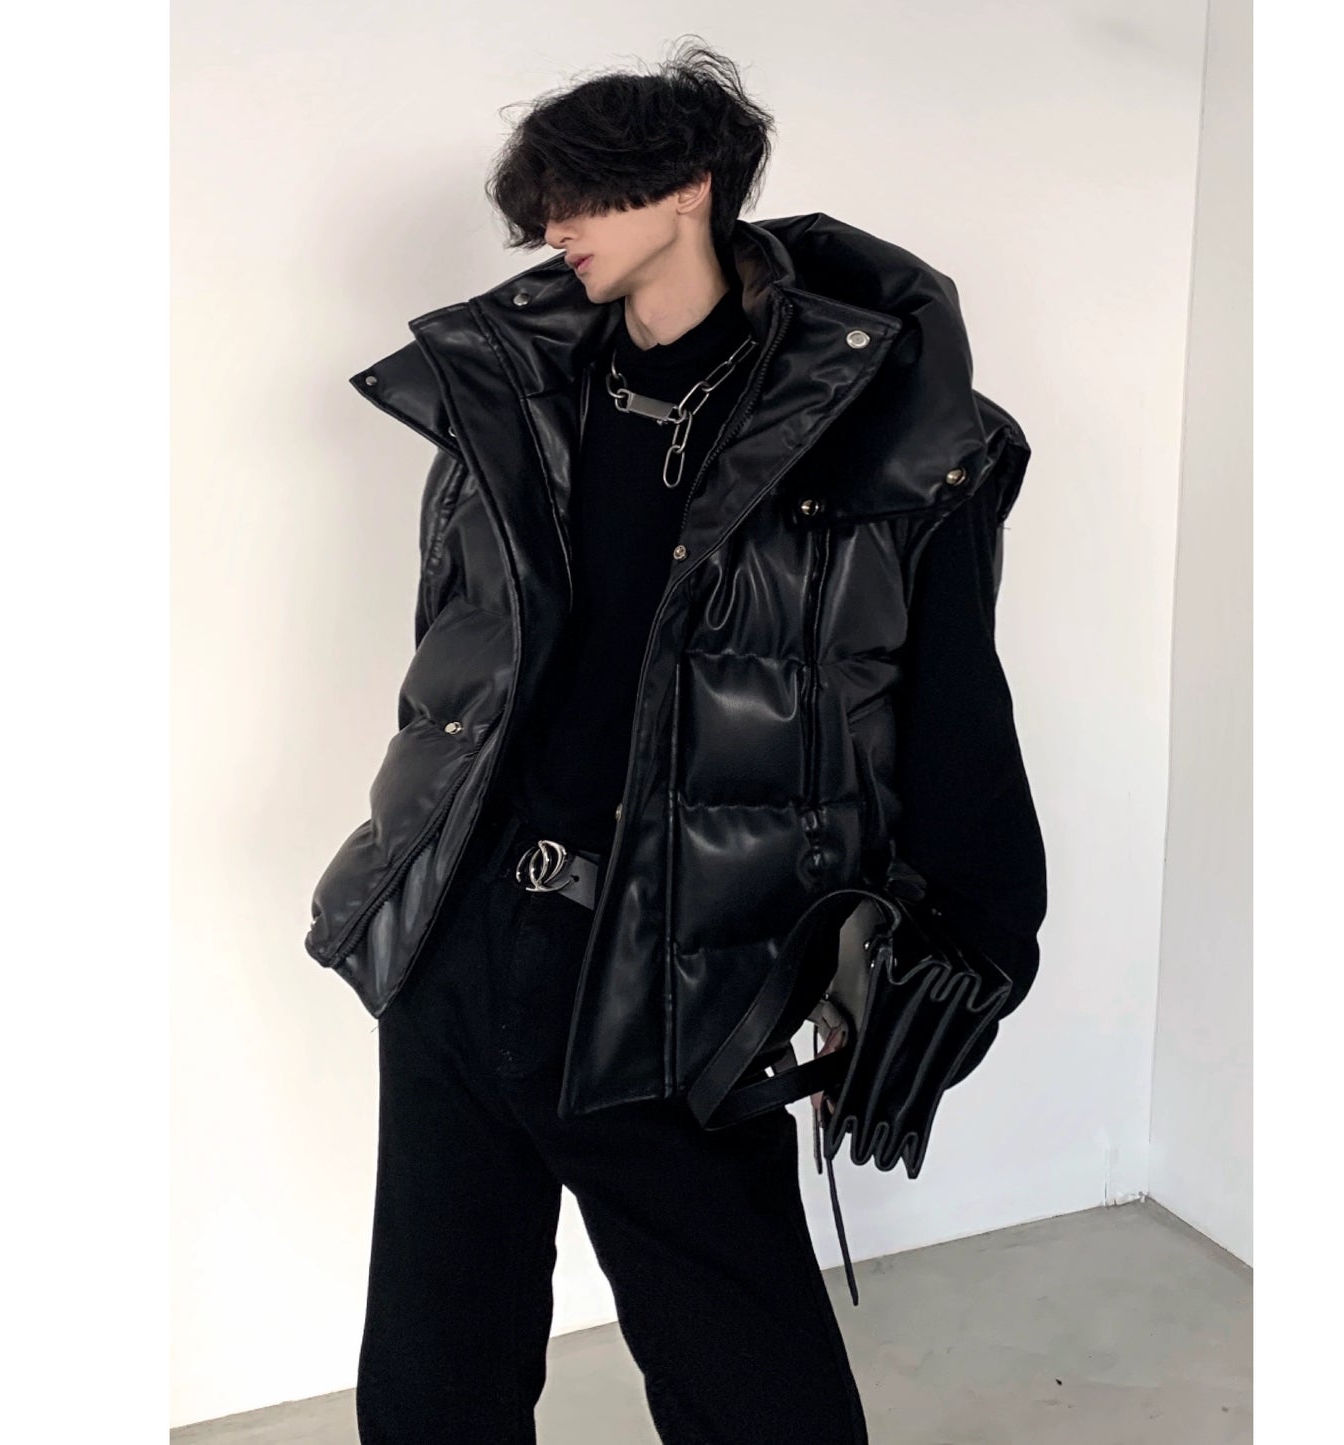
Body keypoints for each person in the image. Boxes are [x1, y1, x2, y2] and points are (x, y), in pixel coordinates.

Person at [310, 38, 1047, 1445]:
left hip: (676, 958)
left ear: (694, 186)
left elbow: (950, 695)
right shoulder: (514, 393)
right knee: (432, 1359)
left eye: (585, 194)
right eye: (542, 202)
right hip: (463, 930)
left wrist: (973, 924)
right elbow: (459, 653)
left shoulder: (884, 434)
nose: (554, 227)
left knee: (746, 1375)